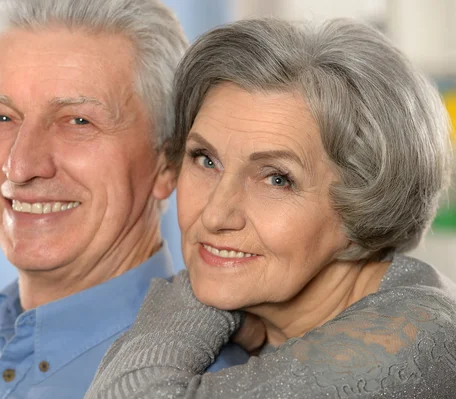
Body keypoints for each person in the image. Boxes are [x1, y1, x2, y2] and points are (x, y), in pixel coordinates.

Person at [85, 18, 456, 398]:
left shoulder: (416, 336)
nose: (214, 216)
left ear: (364, 207)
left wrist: (193, 300)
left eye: (277, 179)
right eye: (205, 159)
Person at [0, 0, 249, 398]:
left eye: (78, 121)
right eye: (2, 117)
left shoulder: (204, 386)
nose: (20, 165)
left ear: (167, 164)